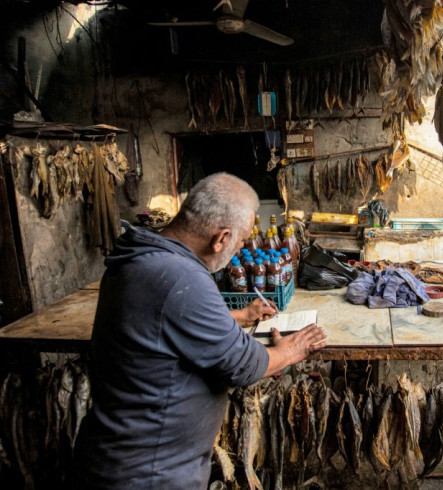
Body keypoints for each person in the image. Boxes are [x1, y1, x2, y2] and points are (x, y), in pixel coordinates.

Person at [72, 173, 327, 489]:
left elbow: (164, 321)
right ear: (221, 238)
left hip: (119, 456)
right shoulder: (182, 277)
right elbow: (242, 365)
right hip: (149, 472)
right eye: (238, 243)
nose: (236, 253)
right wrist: (290, 350)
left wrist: (236, 315)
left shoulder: (141, 256)